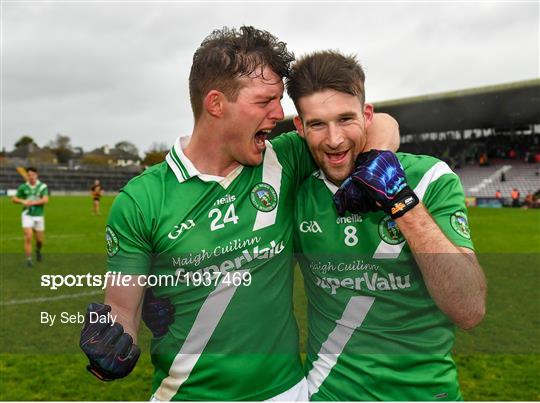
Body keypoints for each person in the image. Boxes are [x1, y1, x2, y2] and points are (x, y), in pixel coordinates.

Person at [79, 27, 399, 401]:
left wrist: (375, 163)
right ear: (216, 103)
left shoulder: (284, 159)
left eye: (279, 100)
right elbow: (121, 309)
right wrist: (108, 347)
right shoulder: (142, 199)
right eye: (266, 100)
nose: (279, 113)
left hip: (287, 392)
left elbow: (379, 122)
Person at [287, 51, 486, 400]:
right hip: (329, 393)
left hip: (428, 394)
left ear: (367, 116)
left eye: (345, 119)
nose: (334, 140)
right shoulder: (296, 191)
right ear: (300, 128)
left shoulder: (430, 178)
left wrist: (400, 200)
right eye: (317, 124)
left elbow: (468, 310)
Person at [12, 167, 49, 267]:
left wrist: (32, 203)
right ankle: (29, 259)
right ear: (27, 176)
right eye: (29, 175)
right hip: (27, 215)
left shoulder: (42, 186)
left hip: (39, 215)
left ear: (36, 175)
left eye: (33, 175)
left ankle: (38, 250)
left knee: (40, 241)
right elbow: (14, 199)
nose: (31, 177)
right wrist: (22, 201)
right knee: (28, 236)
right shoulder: (23, 187)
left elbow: (45, 200)